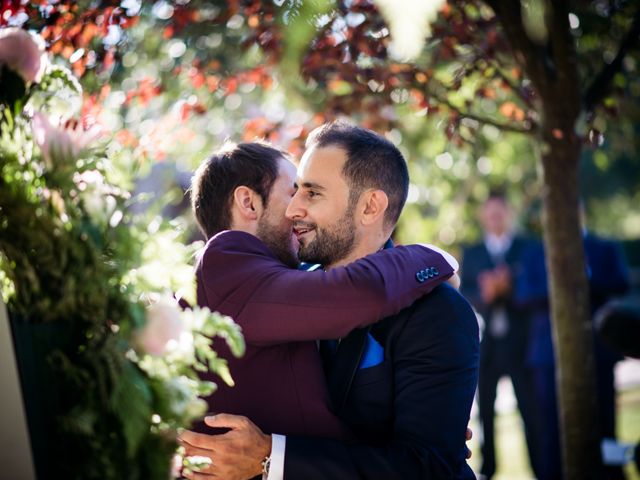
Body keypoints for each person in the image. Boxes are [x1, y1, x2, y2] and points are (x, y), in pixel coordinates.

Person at [180, 122, 479, 479]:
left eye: (311, 193)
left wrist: (275, 458)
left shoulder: (439, 313)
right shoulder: (279, 287)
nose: (294, 209)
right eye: (293, 191)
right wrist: (437, 258)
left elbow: (427, 469)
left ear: (370, 206)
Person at [517, 224, 630, 480]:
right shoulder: (534, 252)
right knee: (552, 429)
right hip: (547, 355)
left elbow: (621, 283)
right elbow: (523, 294)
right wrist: (563, 281)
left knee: (605, 424)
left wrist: (586, 278)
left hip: (598, 350)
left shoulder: (603, 247)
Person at [460, 192, 541, 480]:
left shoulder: (528, 248)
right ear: (483, 216)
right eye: (490, 213)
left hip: (521, 345)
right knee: (486, 414)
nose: (495, 218)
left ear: (508, 214)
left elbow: (536, 290)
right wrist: (486, 293)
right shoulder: (472, 253)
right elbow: (464, 293)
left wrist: (510, 287)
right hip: (486, 348)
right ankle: (488, 470)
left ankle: (542, 468)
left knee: (531, 412)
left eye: (500, 213)